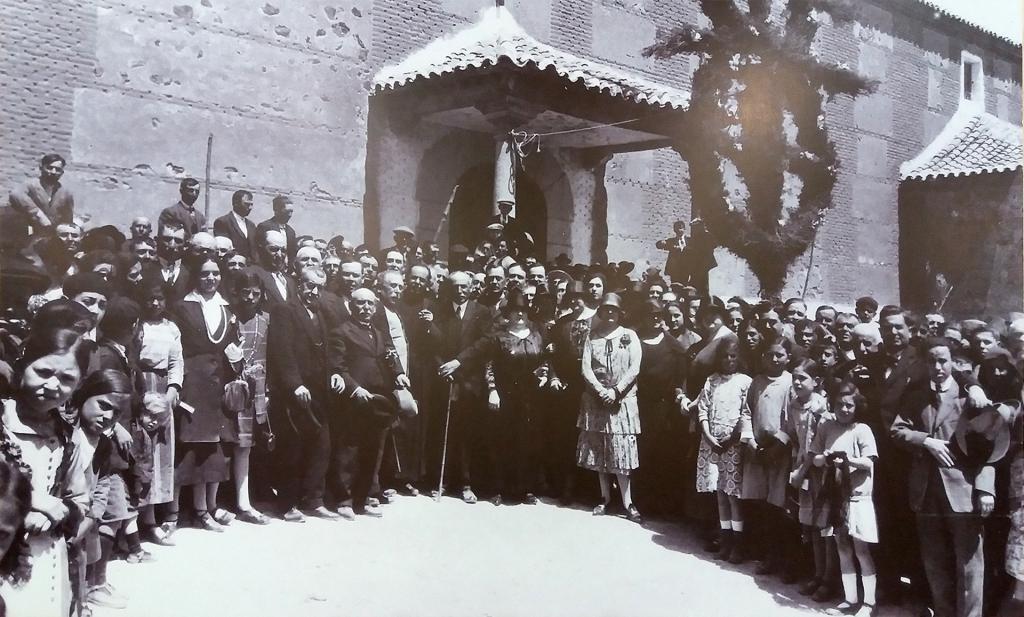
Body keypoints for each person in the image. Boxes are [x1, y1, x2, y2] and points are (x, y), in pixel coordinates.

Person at [891, 337, 995, 617]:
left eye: (943, 361)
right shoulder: (915, 396)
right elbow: (897, 430)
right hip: (925, 492)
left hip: (964, 491)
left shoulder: (969, 397)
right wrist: (926, 441)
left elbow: (992, 445)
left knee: (970, 565)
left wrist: (986, 488)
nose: (938, 367)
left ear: (953, 363)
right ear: (925, 364)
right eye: (932, 361)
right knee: (935, 564)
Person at [0, 327, 91, 617]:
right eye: (43, 372)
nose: (53, 386)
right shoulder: (3, 420)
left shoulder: (69, 436)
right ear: (22, 365)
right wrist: (27, 504)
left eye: (66, 379)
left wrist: (62, 510)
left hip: (48, 558)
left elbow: (81, 500)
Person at [441, 289, 551, 505]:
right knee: (501, 441)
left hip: (531, 397)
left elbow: (545, 360)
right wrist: (492, 390)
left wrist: (545, 375)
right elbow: (489, 365)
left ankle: (525, 489)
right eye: (515, 311)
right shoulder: (498, 338)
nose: (519, 315)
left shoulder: (537, 335)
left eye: (523, 311)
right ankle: (498, 488)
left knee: (527, 442)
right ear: (507, 314)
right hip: (504, 394)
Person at [169, 256, 241, 532]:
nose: (210, 279)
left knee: (211, 448)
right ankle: (173, 512)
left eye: (215, 274)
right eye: (204, 274)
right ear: (196, 277)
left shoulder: (226, 307)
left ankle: (203, 509)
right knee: (187, 447)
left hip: (217, 383)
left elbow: (231, 345)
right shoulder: (182, 306)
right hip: (192, 383)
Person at [328, 287, 410, 517]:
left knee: (372, 451)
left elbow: (389, 358)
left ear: (375, 308)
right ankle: (344, 501)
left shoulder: (379, 333)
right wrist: (355, 389)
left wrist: (399, 374)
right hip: (353, 401)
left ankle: (363, 499)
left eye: (370, 304)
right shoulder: (341, 332)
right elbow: (337, 367)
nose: (365, 308)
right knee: (348, 452)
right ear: (351, 306)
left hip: (378, 401)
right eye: (360, 304)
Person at [267, 268, 338, 522]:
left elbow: (329, 351)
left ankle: (314, 500)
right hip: (294, 393)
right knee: (292, 449)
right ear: (299, 285)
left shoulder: (322, 314)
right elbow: (282, 351)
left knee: (321, 447)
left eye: (319, 287)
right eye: (309, 286)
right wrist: (294, 384)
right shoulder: (285, 310)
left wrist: (335, 374)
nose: (314, 291)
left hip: (319, 392)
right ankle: (287, 504)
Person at [811, 381, 879, 617]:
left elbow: (869, 462)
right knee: (842, 547)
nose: (844, 409)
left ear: (857, 407)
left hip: (857, 497)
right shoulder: (827, 427)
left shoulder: (862, 430)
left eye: (849, 405)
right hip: (835, 496)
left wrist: (848, 460)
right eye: (839, 404)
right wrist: (826, 457)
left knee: (861, 549)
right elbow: (816, 458)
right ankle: (850, 599)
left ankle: (869, 603)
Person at [576, 293, 643, 523]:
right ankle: (604, 497)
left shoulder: (630, 335)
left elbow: (635, 368)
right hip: (597, 402)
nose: (610, 313)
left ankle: (628, 502)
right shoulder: (591, 337)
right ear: (601, 312)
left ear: (620, 312)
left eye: (614, 310)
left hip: (621, 402)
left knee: (621, 451)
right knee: (600, 449)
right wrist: (600, 390)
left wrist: (615, 391)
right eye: (606, 310)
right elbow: (586, 368)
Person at [741, 336, 796, 579]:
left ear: (788, 358)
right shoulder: (757, 382)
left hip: (780, 453)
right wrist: (750, 442)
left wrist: (779, 445)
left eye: (780, 355)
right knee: (761, 505)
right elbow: (746, 412)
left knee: (780, 507)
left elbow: (793, 419)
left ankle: (786, 560)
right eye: (770, 355)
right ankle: (767, 555)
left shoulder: (791, 382)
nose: (774, 359)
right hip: (757, 450)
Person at [695, 338, 750, 563]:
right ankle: (724, 540)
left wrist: (732, 437)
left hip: (732, 445)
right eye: (725, 356)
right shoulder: (712, 380)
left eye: (733, 356)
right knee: (719, 493)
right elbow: (703, 410)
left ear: (739, 358)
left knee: (733, 495)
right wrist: (708, 435)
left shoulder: (745, 382)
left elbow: (746, 414)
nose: (728, 360)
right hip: (711, 444)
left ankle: (738, 544)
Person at [787, 359, 836, 601]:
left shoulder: (821, 409)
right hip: (803, 470)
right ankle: (817, 574)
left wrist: (801, 471)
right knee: (811, 526)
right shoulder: (795, 404)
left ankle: (828, 579)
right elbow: (795, 437)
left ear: (816, 382)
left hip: (820, 472)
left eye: (802, 378)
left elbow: (815, 446)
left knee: (825, 526)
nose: (797, 382)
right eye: (795, 377)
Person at [634, 299, 688, 516]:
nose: (655, 319)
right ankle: (638, 501)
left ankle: (661, 505)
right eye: (650, 315)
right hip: (640, 406)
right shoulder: (635, 340)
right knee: (640, 453)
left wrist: (678, 395)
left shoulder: (674, 346)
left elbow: (680, 378)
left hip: (665, 409)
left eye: (658, 315)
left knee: (661, 454)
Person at [228, 269, 272, 525]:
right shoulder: (229, 317)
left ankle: (245, 501)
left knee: (247, 446)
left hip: (258, 389)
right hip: (231, 387)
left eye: (256, 293)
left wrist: (268, 391)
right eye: (246, 293)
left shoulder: (266, 319)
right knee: (228, 444)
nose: (251, 298)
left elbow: (274, 356)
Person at [6, 153, 75, 236]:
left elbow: (68, 218)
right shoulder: (31, 184)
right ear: (41, 168)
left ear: (62, 172)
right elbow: (16, 194)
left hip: (52, 235)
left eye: (57, 169)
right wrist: (38, 214)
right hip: (28, 233)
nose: (53, 172)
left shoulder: (65, 192)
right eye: (49, 168)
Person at [213, 189, 259, 262]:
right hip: (232, 266)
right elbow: (223, 249)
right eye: (247, 204)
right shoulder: (223, 222)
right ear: (235, 203)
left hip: (251, 267)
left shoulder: (251, 225)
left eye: (251, 204)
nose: (250, 208)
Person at [257, 195, 297, 260]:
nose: (290, 215)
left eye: (291, 211)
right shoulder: (264, 227)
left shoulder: (291, 232)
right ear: (277, 210)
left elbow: (292, 254)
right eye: (287, 211)